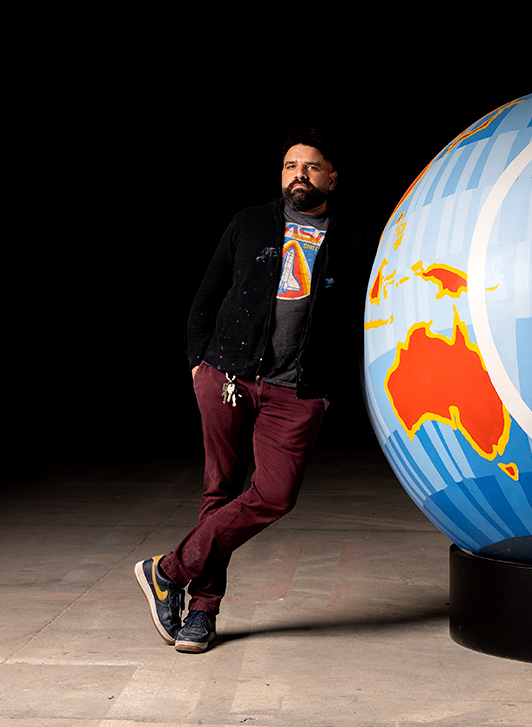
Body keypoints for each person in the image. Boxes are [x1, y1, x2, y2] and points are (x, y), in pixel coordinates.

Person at [135, 129, 373, 654]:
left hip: (298, 391)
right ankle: (201, 613)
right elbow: (208, 292)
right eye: (290, 167)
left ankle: (166, 570)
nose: (299, 175)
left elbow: (363, 319)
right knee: (219, 493)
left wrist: (328, 389)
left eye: (311, 168)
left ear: (332, 179)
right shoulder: (250, 223)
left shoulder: (354, 239)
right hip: (227, 378)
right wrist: (199, 362)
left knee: (274, 496)